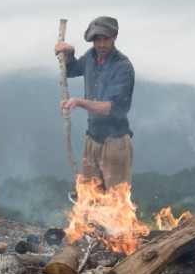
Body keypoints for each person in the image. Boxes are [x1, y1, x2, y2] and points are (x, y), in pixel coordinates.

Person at [54, 16, 135, 191]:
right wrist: (69, 53)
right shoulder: (91, 57)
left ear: (115, 37)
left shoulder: (123, 66)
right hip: (92, 138)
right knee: (90, 198)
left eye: (106, 39)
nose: (101, 44)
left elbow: (113, 108)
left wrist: (79, 102)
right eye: (97, 39)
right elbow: (71, 69)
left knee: (116, 200)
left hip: (115, 142)